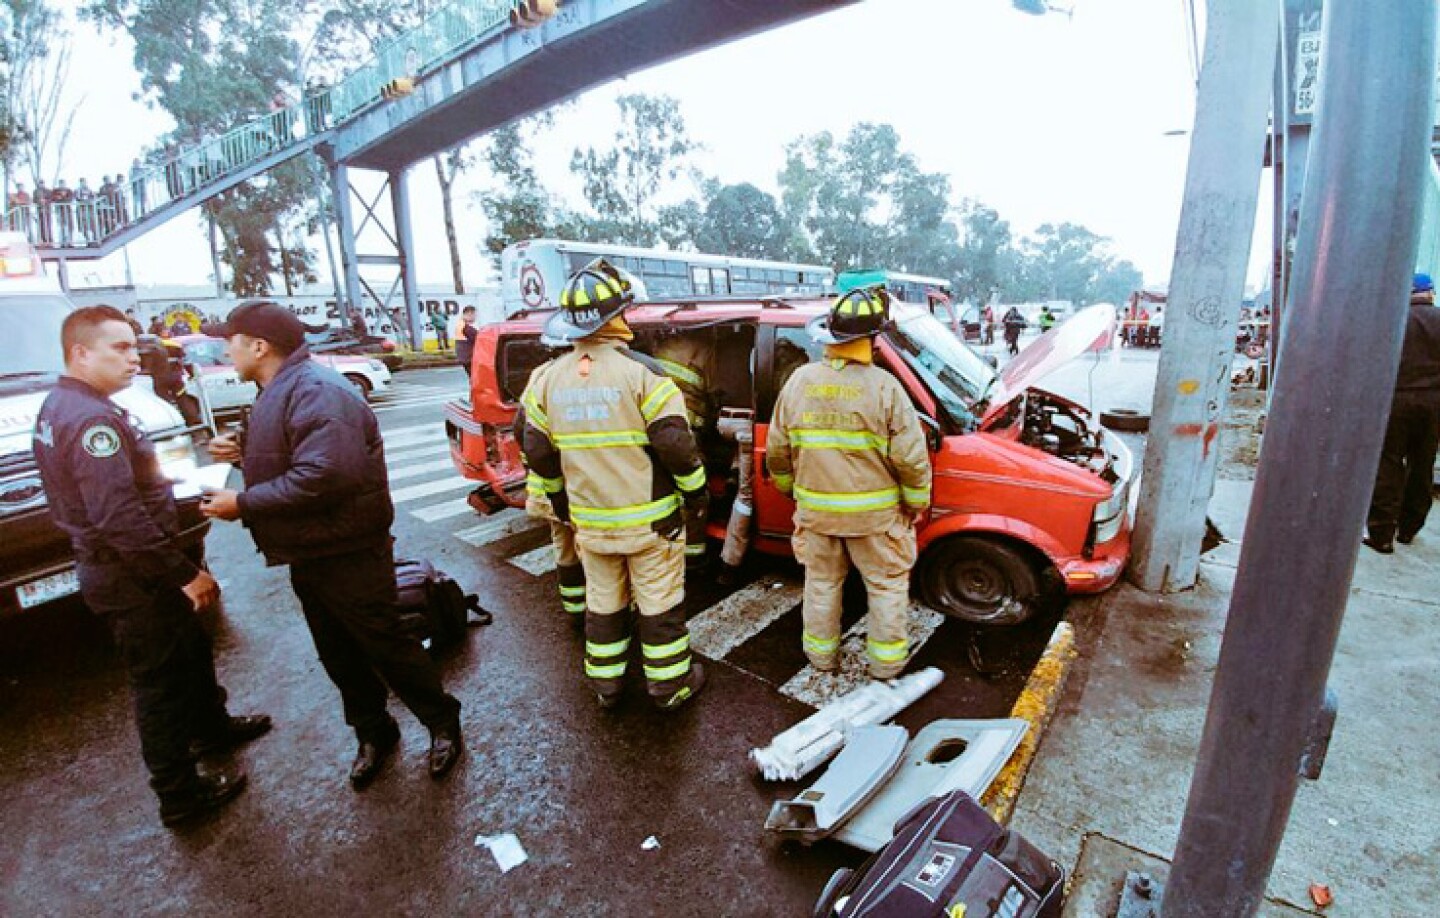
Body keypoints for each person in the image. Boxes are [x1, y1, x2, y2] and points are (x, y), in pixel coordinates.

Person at [200, 301, 463, 787]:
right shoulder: (281, 388)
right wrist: (244, 446)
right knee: (337, 652)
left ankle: (442, 721)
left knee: (387, 645)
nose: (224, 350)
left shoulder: (318, 390)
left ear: (258, 346)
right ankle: (374, 732)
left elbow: (327, 474)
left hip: (348, 550)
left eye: (229, 341)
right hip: (310, 549)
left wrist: (245, 503)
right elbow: (294, 447)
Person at [32, 305, 270, 827]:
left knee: (189, 650)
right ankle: (180, 796)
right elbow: (118, 518)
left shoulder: (67, 405)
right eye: (118, 347)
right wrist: (185, 573)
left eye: (135, 345)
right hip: (133, 576)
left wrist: (182, 496)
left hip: (133, 567)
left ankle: (212, 727)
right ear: (80, 352)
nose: (134, 357)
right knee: (159, 684)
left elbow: (129, 489)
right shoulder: (92, 419)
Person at [521, 259, 708, 711]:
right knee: (659, 605)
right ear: (618, 317)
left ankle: (606, 686)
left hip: (590, 522)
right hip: (651, 525)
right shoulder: (646, 373)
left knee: (603, 605)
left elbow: (537, 449)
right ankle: (669, 687)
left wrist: (561, 502)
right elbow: (676, 447)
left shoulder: (546, 379)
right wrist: (696, 494)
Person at [766, 286, 931, 680]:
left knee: (821, 585)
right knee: (887, 588)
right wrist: (916, 502)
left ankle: (821, 659)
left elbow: (776, 451)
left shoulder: (799, 381)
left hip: (818, 516)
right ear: (872, 340)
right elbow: (910, 458)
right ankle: (886, 666)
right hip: (875, 521)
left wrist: (792, 491)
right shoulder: (886, 388)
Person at [1365, 274, 1440, 553]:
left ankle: (1382, 534)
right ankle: (1409, 529)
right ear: (1430, 293)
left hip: (1397, 399)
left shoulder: (1395, 321)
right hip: (1433, 403)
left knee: (1389, 462)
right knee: (1422, 465)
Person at [516, 351, 587, 625]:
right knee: (594, 553)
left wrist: (533, 470)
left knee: (564, 548)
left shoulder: (541, 374)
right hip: (580, 487)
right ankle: (603, 615)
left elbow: (523, 430)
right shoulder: (586, 374)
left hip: (548, 486)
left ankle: (574, 608)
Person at [653, 330, 719, 569]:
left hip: (656, 431)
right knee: (696, 496)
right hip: (684, 432)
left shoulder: (662, 349)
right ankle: (693, 556)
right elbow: (713, 392)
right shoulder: (706, 350)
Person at [455, 305, 480, 379]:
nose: (475, 318)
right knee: (475, 379)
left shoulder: (460, 324)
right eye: (474, 315)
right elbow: (478, 338)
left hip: (464, 357)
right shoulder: (465, 327)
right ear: (469, 314)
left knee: (472, 378)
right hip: (469, 357)